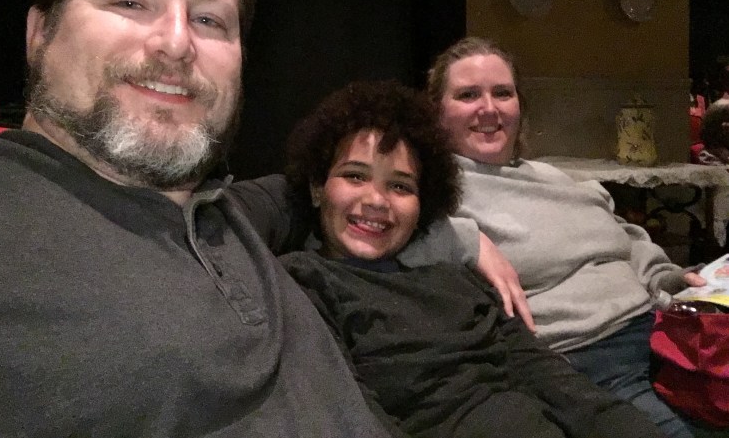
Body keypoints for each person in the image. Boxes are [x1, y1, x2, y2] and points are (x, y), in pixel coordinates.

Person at [0, 0, 407, 438]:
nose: (176, 43)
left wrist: (462, 234)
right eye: (131, 1)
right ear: (40, 32)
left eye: (208, 20)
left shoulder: (226, 212)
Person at [280, 80, 665, 438]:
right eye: (355, 176)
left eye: (399, 185)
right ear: (317, 187)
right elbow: (347, 418)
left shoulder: (454, 278)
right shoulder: (303, 283)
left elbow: (551, 378)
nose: (377, 200)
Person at [397, 36, 716, 438]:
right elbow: (389, 237)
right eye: (468, 95)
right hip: (588, 357)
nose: (489, 108)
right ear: (436, 112)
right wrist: (467, 240)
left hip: (663, 329)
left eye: (502, 93)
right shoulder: (432, 189)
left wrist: (667, 277)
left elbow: (624, 235)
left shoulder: (552, 177)